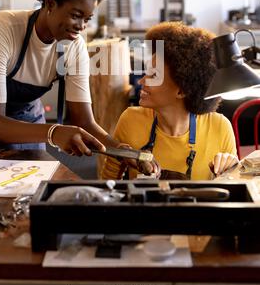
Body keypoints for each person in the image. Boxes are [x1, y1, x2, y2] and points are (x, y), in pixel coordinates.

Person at [0, 0, 120, 185]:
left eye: (87, 18)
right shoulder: (3, 28)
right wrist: (54, 132)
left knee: (30, 188)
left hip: (28, 119)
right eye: (76, 15)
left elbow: (84, 121)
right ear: (50, 3)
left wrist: (121, 150)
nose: (82, 27)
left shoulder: (74, 47)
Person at [100, 22, 239, 181]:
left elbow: (233, 189)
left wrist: (233, 170)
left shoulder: (219, 127)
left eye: (153, 76)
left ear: (182, 90)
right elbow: (108, 183)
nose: (141, 81)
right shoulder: (130, 120)